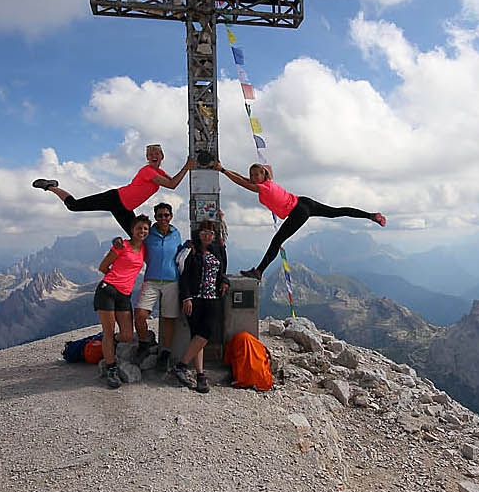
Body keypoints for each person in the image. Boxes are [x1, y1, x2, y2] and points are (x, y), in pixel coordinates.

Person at [214, 162, 385, 278]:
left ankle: (259, 272)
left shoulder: (262, 188)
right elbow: (243, 178)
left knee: (277, 241)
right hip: (304, 202)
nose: (252, 177)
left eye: (255, 174)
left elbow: (241, 182)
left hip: (298, 212)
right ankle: (371, 216)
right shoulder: (269, 181)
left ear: (262, 175)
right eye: (251, 174)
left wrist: (222, 171)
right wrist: (224, 168)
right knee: (336, 212)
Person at [33, 144, 193, 236]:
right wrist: (186, 167)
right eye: (150, 153)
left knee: (138, 236)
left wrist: (186, 167)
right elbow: (172, 185)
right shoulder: (148, 171)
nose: (153, 155)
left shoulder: (159, 172)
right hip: (114, 198)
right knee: (73, 205)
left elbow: (173, 182)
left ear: (162, 156)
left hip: (125, 209)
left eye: (156, 153)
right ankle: (51, 186)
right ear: (147, 158)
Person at [171, 219, 229, 394]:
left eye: (209, 233)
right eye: (203, 232)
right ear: (198, 234)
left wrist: (225, 280)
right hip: (195, 299)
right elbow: (185, 276)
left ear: (213, 235)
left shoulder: (218, 250)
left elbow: (223, 270)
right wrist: (186, 298)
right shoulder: (191, 250)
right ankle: (200, 376)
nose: (206, 235)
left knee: (204, 335)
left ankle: (181, 366)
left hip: (213, 298)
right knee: (198, 336)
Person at [93, 214, 150, 389]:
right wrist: (115, 279)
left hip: (124, 296)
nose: (142, 231)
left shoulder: (144, 249)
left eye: (145, 228)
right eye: (139, 228)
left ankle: (108, 345)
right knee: (108, 332)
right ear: (132, 230)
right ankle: (111, 369)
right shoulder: (121, 245)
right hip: (107, 291)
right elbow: (103, 267)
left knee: (126, 335)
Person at [133, 201, 181, 367]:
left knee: (169, 318)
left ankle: (165, 353)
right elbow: (134, 240)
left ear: (171, 216)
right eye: (159, 215)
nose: (163, 218)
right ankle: (144, 342)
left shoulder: (176, 233)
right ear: (155, 217)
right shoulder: (149, 233)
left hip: (172, 280)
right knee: (140, 314)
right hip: (151, 280)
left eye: (166, 215)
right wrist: (116, 240)